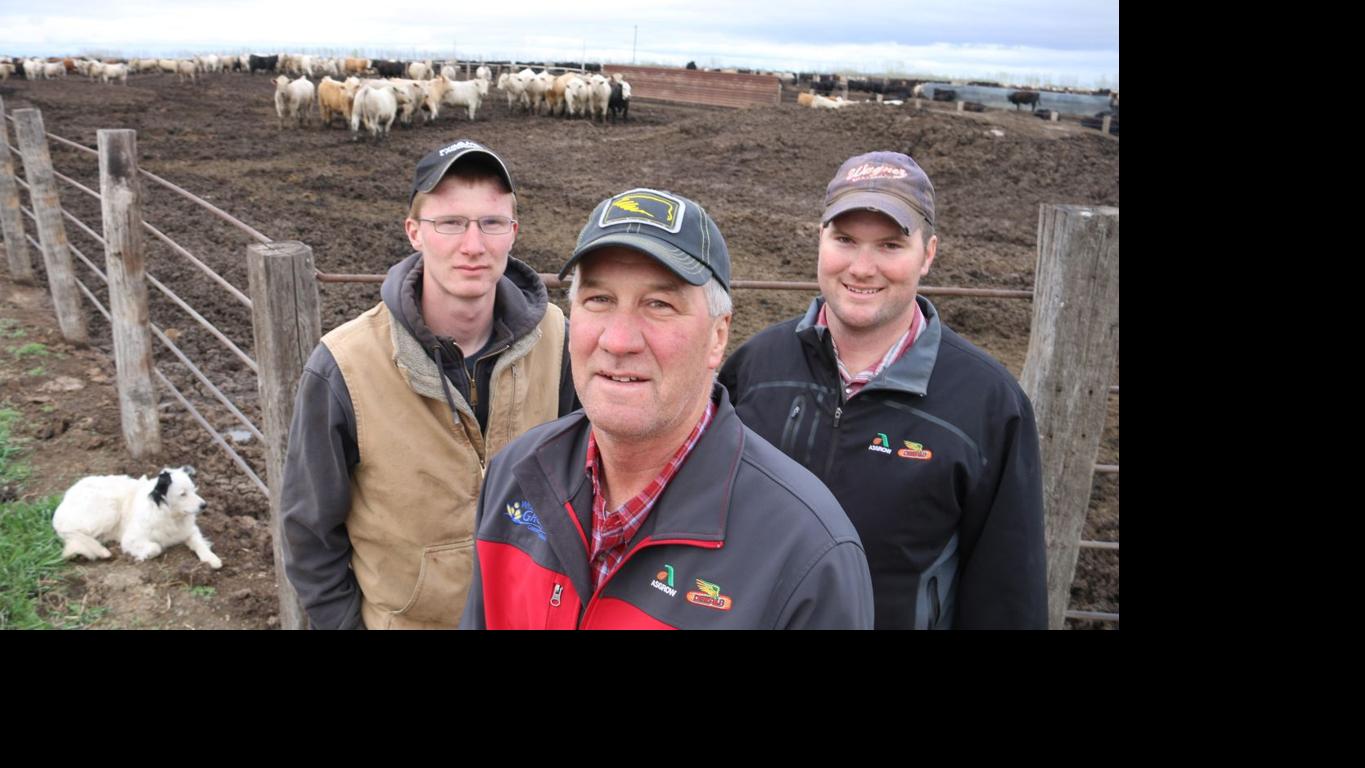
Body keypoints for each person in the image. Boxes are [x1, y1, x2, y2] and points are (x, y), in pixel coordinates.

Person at [459, 187, 874, 629]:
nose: (618, 340)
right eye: (599, 299)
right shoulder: (516, 478)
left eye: (659, 305)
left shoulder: (806, 554)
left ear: (718, 336)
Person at [718, 152, 1046, 629]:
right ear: (820, 240)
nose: (862, 268)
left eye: (890, 245)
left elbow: (1007, 594)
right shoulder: (756, 366)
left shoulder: (988, 404)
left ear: (929, 253)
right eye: (845, 240)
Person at [280, 139, 576, 629]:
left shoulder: (560, 340)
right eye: (451, 223)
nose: (473, 245)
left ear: (513, 232)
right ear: (414, 232)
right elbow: (310, 533)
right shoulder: (345, 366)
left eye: (492, 222)